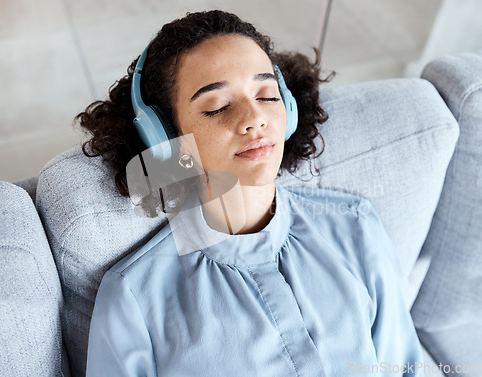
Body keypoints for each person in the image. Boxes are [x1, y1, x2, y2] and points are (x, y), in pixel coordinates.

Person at [79, 10, 424, 377]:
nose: (254, 117)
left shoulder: (355, 227)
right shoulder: (133, 299)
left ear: (288, 109)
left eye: (267, 95)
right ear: (166, 142)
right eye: (218, 106)